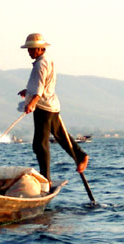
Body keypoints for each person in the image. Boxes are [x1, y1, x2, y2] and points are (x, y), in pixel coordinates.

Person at [18, 33, 89, 188]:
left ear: (39, 49)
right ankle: (81, 155)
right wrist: (28, 91)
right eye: (28, 49)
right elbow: (43, 83)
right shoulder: (46, 60)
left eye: (31, 49)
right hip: (51, 104)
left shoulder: (40, 64)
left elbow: (40, 88)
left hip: (43, 106)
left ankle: (46, 179)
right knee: (61, 136)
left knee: (39, 144)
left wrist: (32, 102)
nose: (29, 52)